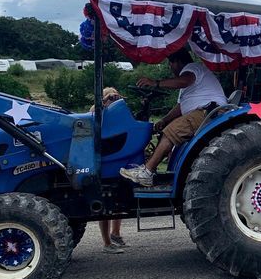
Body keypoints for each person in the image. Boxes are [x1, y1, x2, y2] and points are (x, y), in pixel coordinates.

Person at [120, 48, 227, 186]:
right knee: (167, 129)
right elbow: (180, 106)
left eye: (170, 63)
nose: (170, 67)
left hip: (208, 112)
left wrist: (155, 83)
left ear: (177, 61)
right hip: (202, 112)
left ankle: (146, 172)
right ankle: (149, 168)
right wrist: (164, 120)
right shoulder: (189, 82)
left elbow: (183, 81)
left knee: (171, 132)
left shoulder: (192, 69)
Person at [95, 87, 127, 253]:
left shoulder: (118, 112)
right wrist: (104, 101)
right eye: (109, 96)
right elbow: (93, 112)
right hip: (104, 160)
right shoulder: (97, 112)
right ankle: (106, 243)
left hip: (117, 158)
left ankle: (115, 233)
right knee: (105, 204)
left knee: (117, 203)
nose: (112, 100)